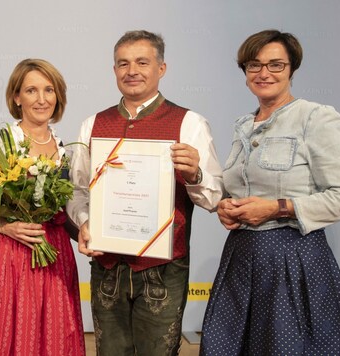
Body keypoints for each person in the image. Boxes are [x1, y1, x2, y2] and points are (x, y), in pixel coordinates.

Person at [199, 29, 340, 355]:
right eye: (254, 65)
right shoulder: (243, 125)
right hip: (240, 257)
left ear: (292, 69)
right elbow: (237, 188)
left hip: (294, 259)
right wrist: (225, 206)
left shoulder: (315, 117)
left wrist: (277, 208)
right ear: (245, 73)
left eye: (275, 65)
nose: (264, 73)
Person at [67, 30, 224, 355]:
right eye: (123, 63)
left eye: (142, 62)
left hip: (163, 271)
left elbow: (214, 198)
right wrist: (84, 221)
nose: (131, 71)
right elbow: (78, 192)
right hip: (107, 267)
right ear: (114, 71)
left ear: (161, 68)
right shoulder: (92, 124)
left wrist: (194, 173)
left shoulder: (189, 123)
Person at [0, 58, 85, 356]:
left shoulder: (66, 151)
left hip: (54, 257)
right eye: (31, 90)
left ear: (58, 96)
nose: (42, 99)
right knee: (1, 340)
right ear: (16, 97)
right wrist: (5, 226)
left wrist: (91, 234)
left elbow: (67, 214)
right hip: (5, 256)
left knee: (53, 340)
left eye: (49, 90)